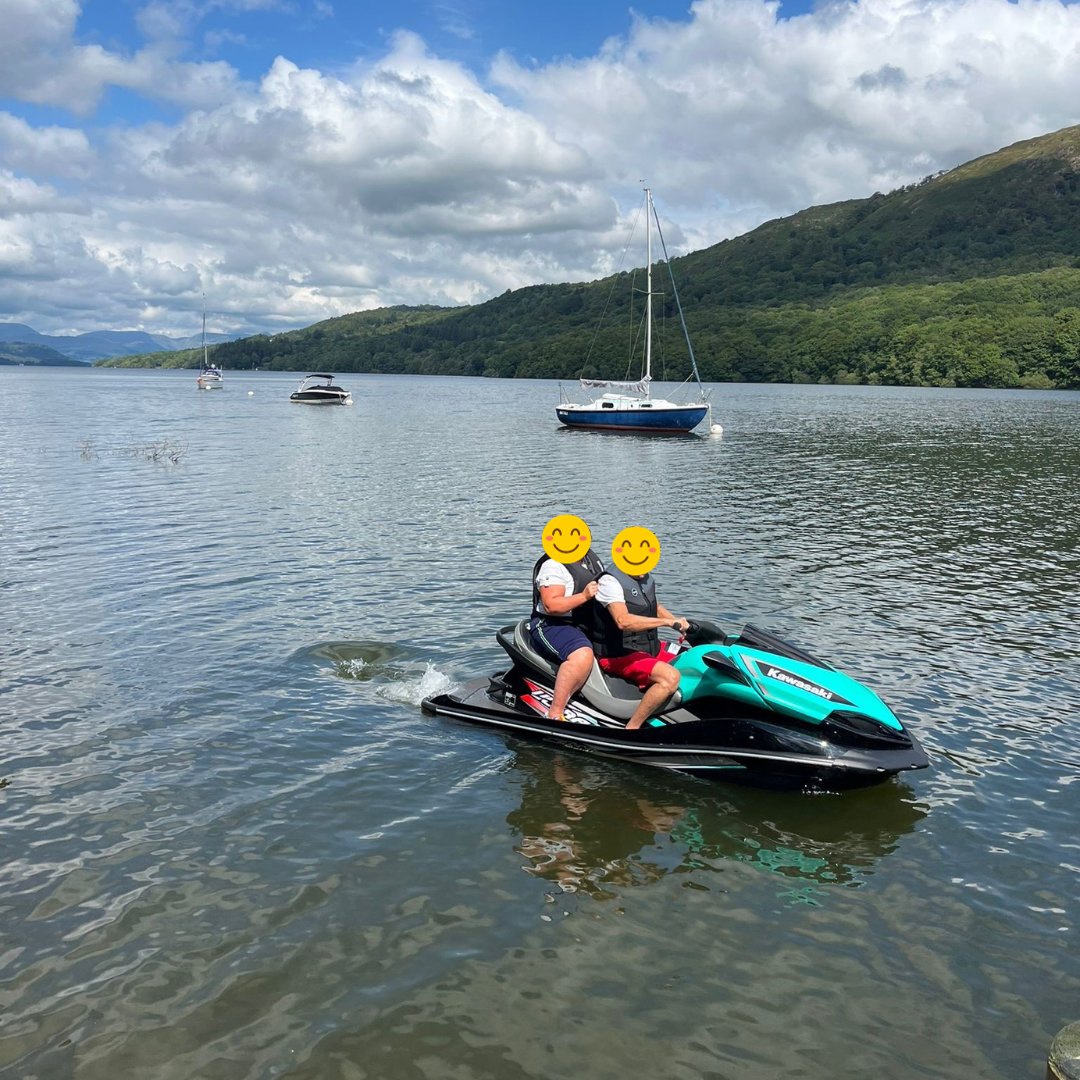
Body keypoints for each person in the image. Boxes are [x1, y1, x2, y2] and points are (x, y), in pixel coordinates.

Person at [593, 564, 688, 730]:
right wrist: (667, 623)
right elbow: (622, 621)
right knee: (670, 678)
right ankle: (632, 728)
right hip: (619, 654)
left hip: (649, 648)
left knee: (693, 658)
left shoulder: (644, 577)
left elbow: (654, 607)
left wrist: (677, 623)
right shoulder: (610, 582)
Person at [528, 546, 607, 722]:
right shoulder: (553, 565)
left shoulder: (588, 560)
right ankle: (555, 714)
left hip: (585, 623)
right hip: (551, 624)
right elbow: (552, 605)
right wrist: (584, 596)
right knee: (582, 654)